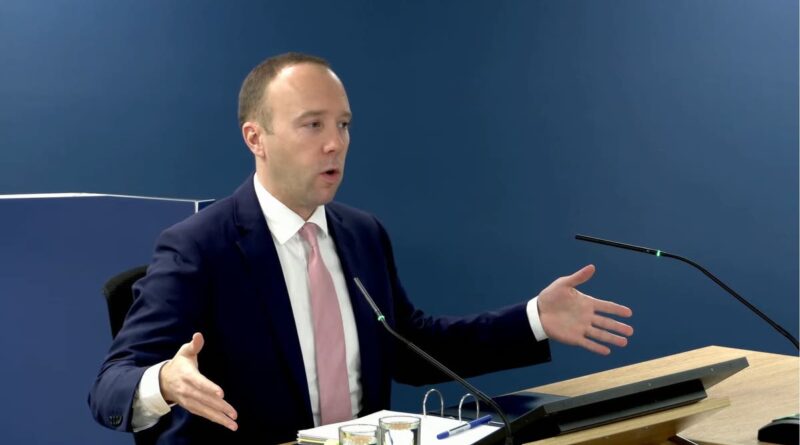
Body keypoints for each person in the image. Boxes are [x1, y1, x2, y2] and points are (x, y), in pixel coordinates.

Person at [88, 52, 633, 444]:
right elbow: (110, 386)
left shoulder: (362, 233)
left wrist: (534, 319)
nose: (336, 143)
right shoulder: (199, 247)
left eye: (344, 125)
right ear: (256, 139)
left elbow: (411, 346)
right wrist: (163, 381)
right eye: (312, 125)